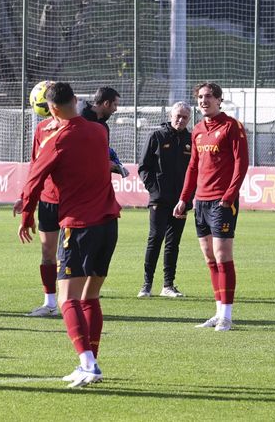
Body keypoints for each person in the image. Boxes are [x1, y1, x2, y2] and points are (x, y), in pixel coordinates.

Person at [19, 82, 120, 388]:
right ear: (76, 101)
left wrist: (26, 214)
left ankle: (88, 364)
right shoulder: (100, 132)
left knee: (66, 298)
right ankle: (91, 361)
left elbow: (35, 178)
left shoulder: (56, 140)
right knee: (90, 297)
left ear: (50, 109)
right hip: (109, 222)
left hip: (78, 227)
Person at [173, 82, 248, 332]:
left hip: (222, 201)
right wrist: (184, 198)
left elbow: (241, 164)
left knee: (222, 256)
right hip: (201, 202)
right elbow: (193, 167)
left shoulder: (231, 127)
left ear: (219, 100)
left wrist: (229, 196)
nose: (204, 101)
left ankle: (227, 315)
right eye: (201, 97)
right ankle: (218, 312)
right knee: (209, 258)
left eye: (209, 97)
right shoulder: (197, 130)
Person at [12, 94, 63, 317]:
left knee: (70, 254)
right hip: (48, 199)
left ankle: (73, 302)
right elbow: (35, 165)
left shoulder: (76, 127)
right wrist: (25, 197)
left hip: (73, 201)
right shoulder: (42, 129)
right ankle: (50, 303)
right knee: (47, 251)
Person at [136, 102, 193, 298]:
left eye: (185, 117)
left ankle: (168, 285)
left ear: (189, 119)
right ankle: (146, 284)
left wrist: (188, 197)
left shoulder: (192, 139)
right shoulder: (157, 136)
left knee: (173, 243)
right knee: (155, 239)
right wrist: (154, 191)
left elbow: (196, 172)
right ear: (170, 115)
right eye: (178, 116)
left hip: (181, 202)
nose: (181, 120)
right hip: (159, 200)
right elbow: (144, 168)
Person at [81, 86, 128, 176]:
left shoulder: (104, 126)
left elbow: (103, 150)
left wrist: (116, 165)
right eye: (115, 105)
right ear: (106, 103)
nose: (116, 109)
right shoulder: (80, 117)